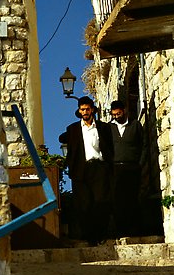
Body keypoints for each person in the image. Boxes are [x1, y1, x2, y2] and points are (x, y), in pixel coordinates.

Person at [59, 96, 114, 245]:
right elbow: (61, 139)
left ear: (92, 110)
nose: (85, 112)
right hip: (81, 170)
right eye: (82, 109)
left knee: (101, 202)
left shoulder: (103, 127)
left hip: (100, 168)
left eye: (87, 109)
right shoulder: (73, 129)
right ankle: (89, 237)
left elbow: (110, 146)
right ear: (79, 111)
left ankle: (100, 234)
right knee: (84, 204)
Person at [109, 100, 147, 238]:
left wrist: (140, 163)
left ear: (124, 111)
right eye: (114, 115)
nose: (117, 117)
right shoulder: (109, 128)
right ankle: (120, 231)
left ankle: (135, 230)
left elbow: (143, 145)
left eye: (118, 114)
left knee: (133, 198)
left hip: (133, 167)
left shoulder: (135, 125)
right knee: (118, 200)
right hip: (115, 169)